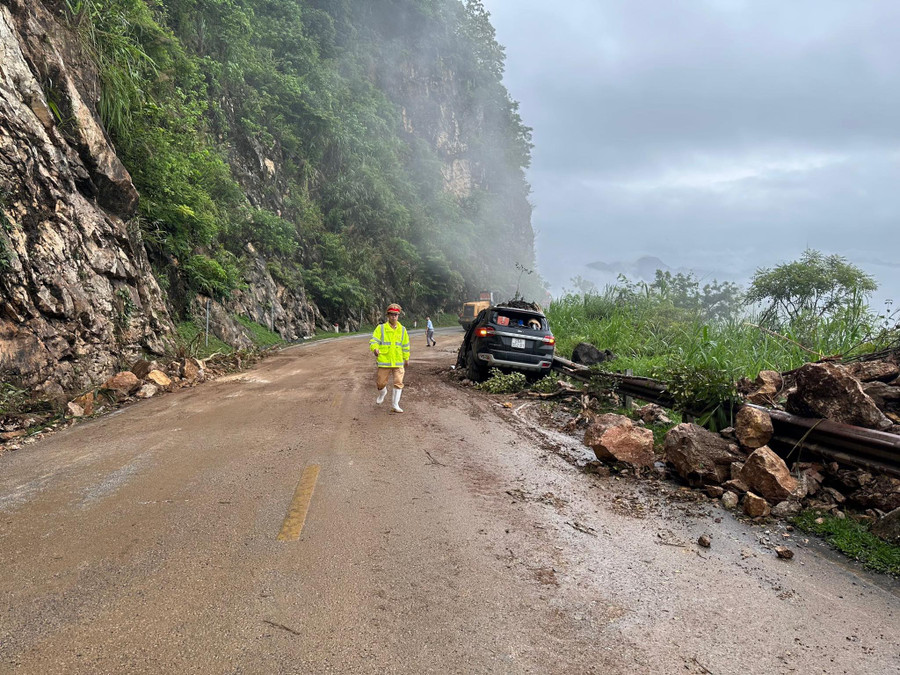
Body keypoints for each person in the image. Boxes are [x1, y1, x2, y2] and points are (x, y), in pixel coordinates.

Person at [370, 303, 410, 413]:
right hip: (384, 361)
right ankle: (383, 392)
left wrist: (406, 358)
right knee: (381, 383)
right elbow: (374, 341)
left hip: (398, 361)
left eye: (396, 315)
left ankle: (395, 405)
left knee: (398, 382)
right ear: (388, 315)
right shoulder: (381, 328)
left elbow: (405, 345)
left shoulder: (403, 330)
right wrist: (375, 349)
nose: (394, 317)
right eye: (391, 314)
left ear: (398, 316)